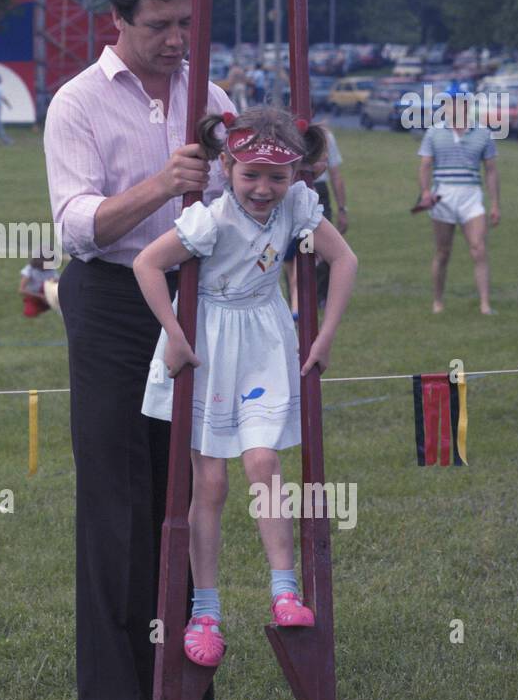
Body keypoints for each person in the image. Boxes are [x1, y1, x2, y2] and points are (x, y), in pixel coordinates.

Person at [43, 0, 239, 700]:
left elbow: (239, 209)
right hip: (113, 305)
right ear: (117, 20)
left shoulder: (212, 95)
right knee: (116, 505)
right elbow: (78, 224)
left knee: (190, 497)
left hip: (195, 301)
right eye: (158, 25)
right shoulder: (76, 104)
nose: (174, 40)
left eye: (185, 23)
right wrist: (163, 183)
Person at [135, 106, 358, 666]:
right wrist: (174, 335)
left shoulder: (299, 207)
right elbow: (146, 264)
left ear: (295, 176)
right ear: (228, 168)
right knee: (208, 482)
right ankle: (205, 611)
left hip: (263, 341)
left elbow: (345, 259)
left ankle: (284, 589)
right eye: (250, 174)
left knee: (264, 463)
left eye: (277, 177)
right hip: (208, 345)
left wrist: (324, 336)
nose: (263, 188)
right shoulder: (210, 219)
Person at [417, 93, 499, 315]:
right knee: (443, 252)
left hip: (471, 196)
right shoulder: (434, 132)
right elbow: (425, 165)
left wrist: (494, 204)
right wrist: (425, 192)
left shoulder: (483, 133)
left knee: (478, 248)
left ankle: (485, 304)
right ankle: (438, 301)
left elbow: (491, 170)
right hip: (443, 196)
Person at [283, 124, 348, 317]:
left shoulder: (324, 136)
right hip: (289, 193)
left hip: (314, 193)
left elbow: (334, 173)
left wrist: (342, 208)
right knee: (291, 256)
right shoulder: (283, 132)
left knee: (307, 252)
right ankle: (295, 301)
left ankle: (305, 299)